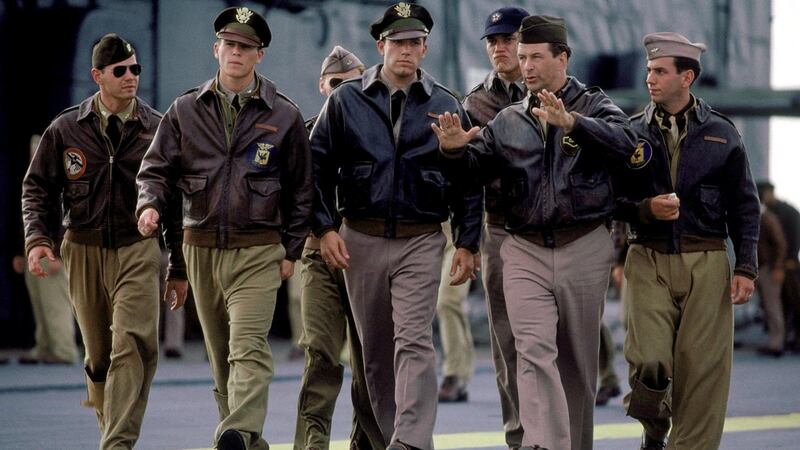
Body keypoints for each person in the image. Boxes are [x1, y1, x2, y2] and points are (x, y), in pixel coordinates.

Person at [434, 15, 635, 450]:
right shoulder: (507, 119)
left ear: (563, 58)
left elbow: (630, 146)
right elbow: (472, 172)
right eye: (522, 58)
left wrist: (575, 125)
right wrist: (453, 153)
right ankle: (539, 443)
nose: (525, 66)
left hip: (583, 244)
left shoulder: (595, 106)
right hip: (521, 245)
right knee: (531, 350)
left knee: (579, 363)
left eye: (535, 57)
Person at [136, 7, 312, 450]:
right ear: (216, 49)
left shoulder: (285, 116)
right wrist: (150, 205)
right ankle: (246, 441)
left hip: (259, 250)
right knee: (220, 360)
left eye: (246, 47)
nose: (236, 53)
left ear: (260, 56)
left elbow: (301, 191)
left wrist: (289, 251)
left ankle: (233, 433)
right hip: (200, 248)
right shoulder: (184, 111)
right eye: (230, 45)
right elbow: (155, 171)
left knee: (248, 347)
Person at [310, 3, 481, 449]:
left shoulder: (446, 104)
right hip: (359, 238)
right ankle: (391, 437)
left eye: (415, 42)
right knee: (375, 353)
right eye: (398, 42)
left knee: (414, 342)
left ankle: (411, 441)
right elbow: (315, 168)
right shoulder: (347, 100)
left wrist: (466, 241)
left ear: (425, 48)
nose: (406, 51)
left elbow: (466, 182)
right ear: (380, 46)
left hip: (421, 239)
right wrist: (325, 227)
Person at [21, 34, 185, 449]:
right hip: (83, 247)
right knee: (98, 357)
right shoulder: (66, 128)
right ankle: (110, 427)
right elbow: (37, 187)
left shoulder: (158, 128)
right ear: (97, 76)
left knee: (133, 343)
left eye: (136, 69)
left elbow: (176, 200)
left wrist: (179, 268)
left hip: (138, 247)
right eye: (120, 71)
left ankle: (117, 444)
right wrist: (38, 238)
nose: (131, 77)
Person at [614, 32, 760, 449]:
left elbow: (745, 205)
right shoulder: (631, 132)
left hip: (707, 259)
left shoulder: (722, 134)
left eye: (660, 71)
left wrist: (746, 266)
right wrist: (644, 210)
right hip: (648, 255)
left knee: (702, 375)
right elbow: (610, 199)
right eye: (648, 71)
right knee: (649, 361)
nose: (650, 79)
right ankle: (655, 425)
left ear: (687, 77)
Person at [294, 45, 384, 450]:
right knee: (321, 352)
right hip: (318, 255)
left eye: (352, 83)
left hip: (366, 255)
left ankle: (366, 440)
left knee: (370, 358)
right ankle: (313, 441)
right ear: (322, 87)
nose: (344, 91)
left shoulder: (379, 133)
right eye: (336, 84)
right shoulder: (307, 133)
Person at [459, 5, 528, 441]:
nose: (499, 47)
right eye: (492, 41)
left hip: (558, 230)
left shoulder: (556, 93)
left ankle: (564, 432)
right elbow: (467, 182)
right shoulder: (475, 103)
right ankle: (519, 434)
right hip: (501, 229)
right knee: (507, 342)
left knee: (561, 343)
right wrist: (468, 243)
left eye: (508, 38)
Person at [14, 134, 79, 366]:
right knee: (40, 304)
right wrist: (20, 252)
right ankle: (44, 346)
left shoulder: (58, 180)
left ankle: (63, 349)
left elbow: (66, 220)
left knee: (56, 303)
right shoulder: (33, 179)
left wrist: (59, 254)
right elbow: (25, 218)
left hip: (51, 252)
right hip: (34, 250)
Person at [757, 181, 800, 352]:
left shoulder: (784, 211)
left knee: (793, 301)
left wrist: (785, 262)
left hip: (786, 265)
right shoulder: (770, 212)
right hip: (779, 264)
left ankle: (785, 340)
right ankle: (784, 338)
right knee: (781, 304)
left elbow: (788, 238)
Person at [755, 205, 787, 356]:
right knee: (769, 306)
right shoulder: (763, 217)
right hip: (763, 268)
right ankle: (774, 341)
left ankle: (777, 343)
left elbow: (780, 243)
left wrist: (778, 267)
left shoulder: (766, 218)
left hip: (769, 268)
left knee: (773, 306)